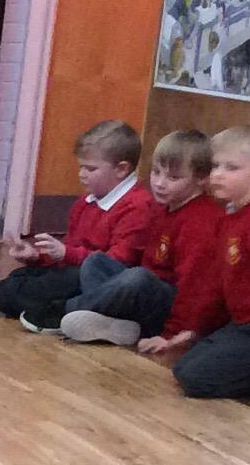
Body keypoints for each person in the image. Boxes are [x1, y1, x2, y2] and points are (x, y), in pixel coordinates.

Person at [138, 123, 250, 403]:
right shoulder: (229, 216)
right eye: (215, 166)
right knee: (184, 367)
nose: (218, 175)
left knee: (196, 379)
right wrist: (191, 329)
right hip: (244, 323)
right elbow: (214, 282)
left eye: (231, 168)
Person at [0, 120, 156, 329]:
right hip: (77, 270)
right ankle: (3, 299)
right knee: (25, 276)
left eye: (90, 168)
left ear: (121, 169)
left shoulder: (138, 206)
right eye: (81, 166)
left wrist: (66, 254)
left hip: (101, 281)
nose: (81, 174)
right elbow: (69, 252)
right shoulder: (86, 202)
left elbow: (115, 264)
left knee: (59, 282)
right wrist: (37, 256)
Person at [57, 129, 216, 345]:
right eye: (156, 172)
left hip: (166, 307)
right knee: (97, 263)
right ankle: (118, 325)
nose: (159, 183)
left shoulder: (200, 220)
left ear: (201, 179)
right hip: (145, 294)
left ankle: (61, 311)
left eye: (173, 177)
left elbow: (193, 286)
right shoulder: (162, 208)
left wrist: (171, 334)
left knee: (137, 278)